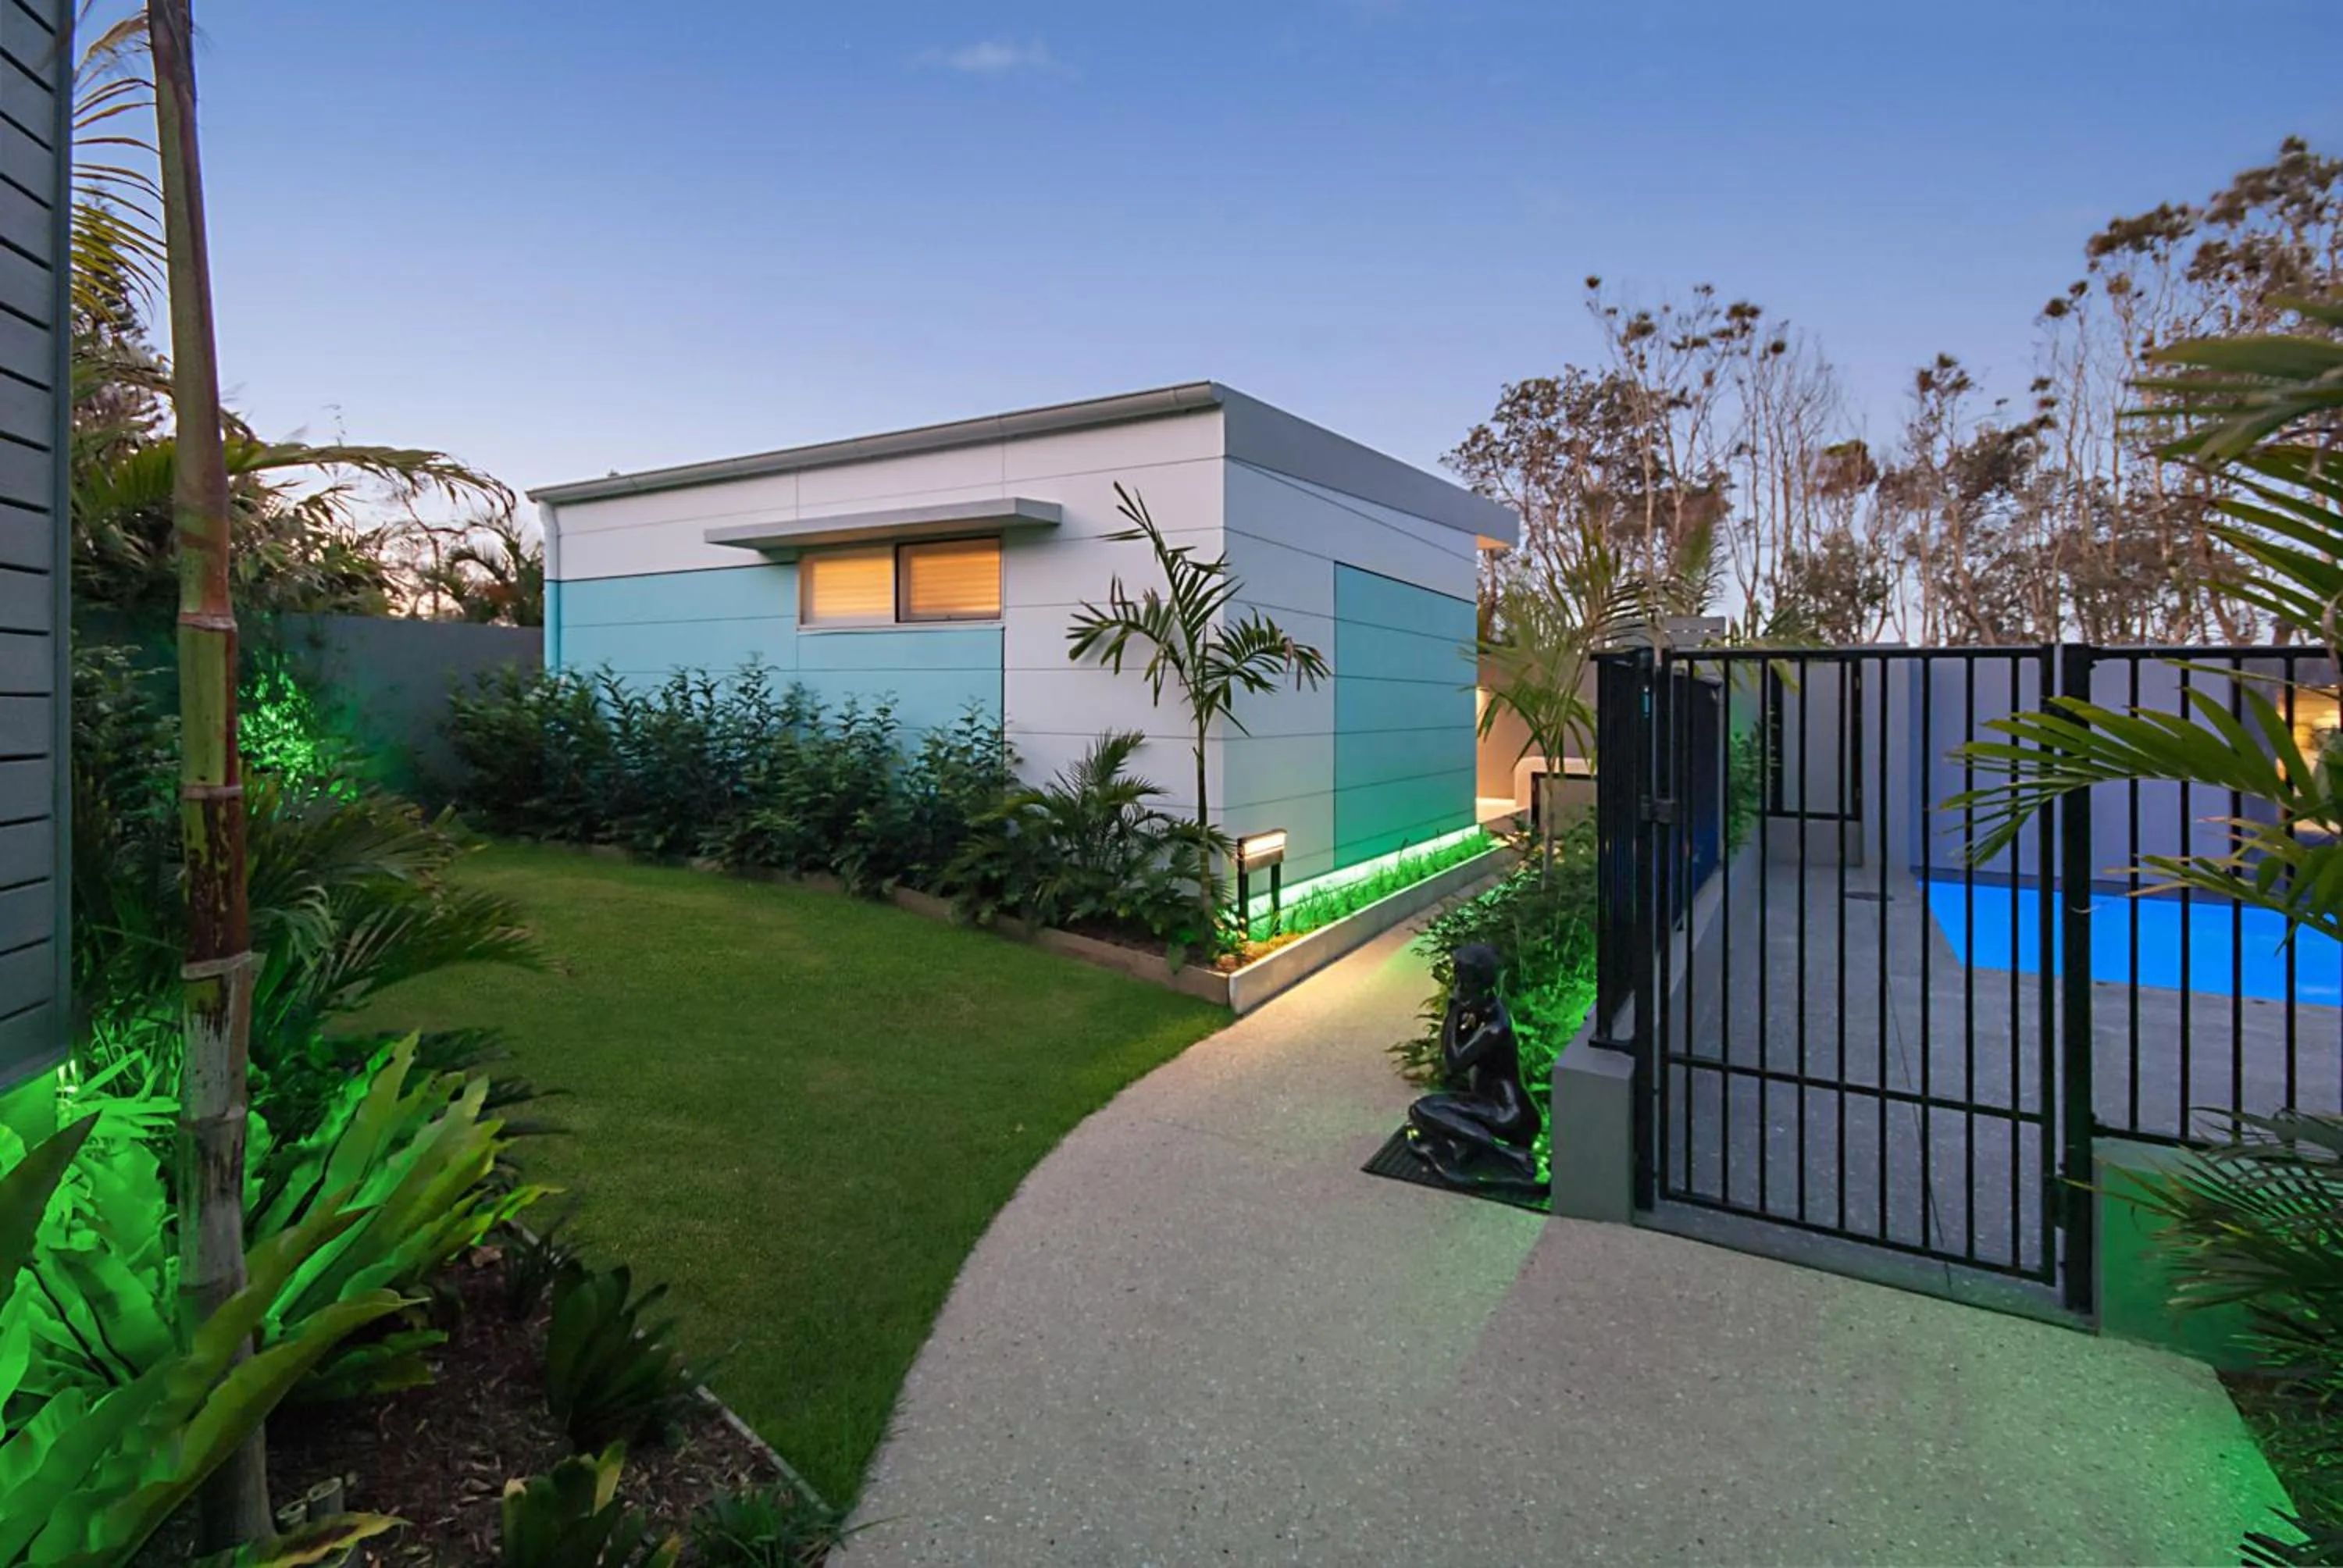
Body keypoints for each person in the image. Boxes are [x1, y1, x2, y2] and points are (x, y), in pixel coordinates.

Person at [1406, 942, 1545, 1194]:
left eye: (1461, 980)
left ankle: (1506, 1154)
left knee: (1423, 1109)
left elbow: (1454, 1062)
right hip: (1488, 1103)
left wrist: (1453, 1011)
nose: (1456, 986)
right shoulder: (1482, 1009)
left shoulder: (1495, 1026)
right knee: (1424, 1114)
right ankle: (1469, 1145)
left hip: (1508, 1112)